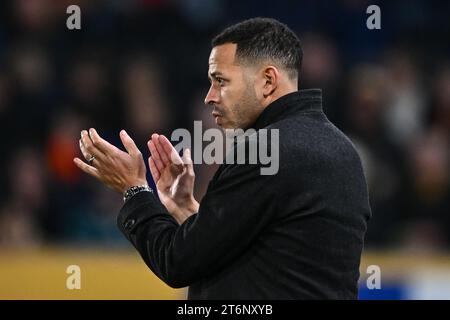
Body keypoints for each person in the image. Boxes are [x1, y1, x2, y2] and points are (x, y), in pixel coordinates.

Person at [74, 18, 371, 299]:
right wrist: (185, 208)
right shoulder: (344, 151)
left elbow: (178, 262)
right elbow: (268, 259)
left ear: (267, 81)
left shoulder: (264, 151)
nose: (209, 96)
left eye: (221, 81)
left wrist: (134, 189)